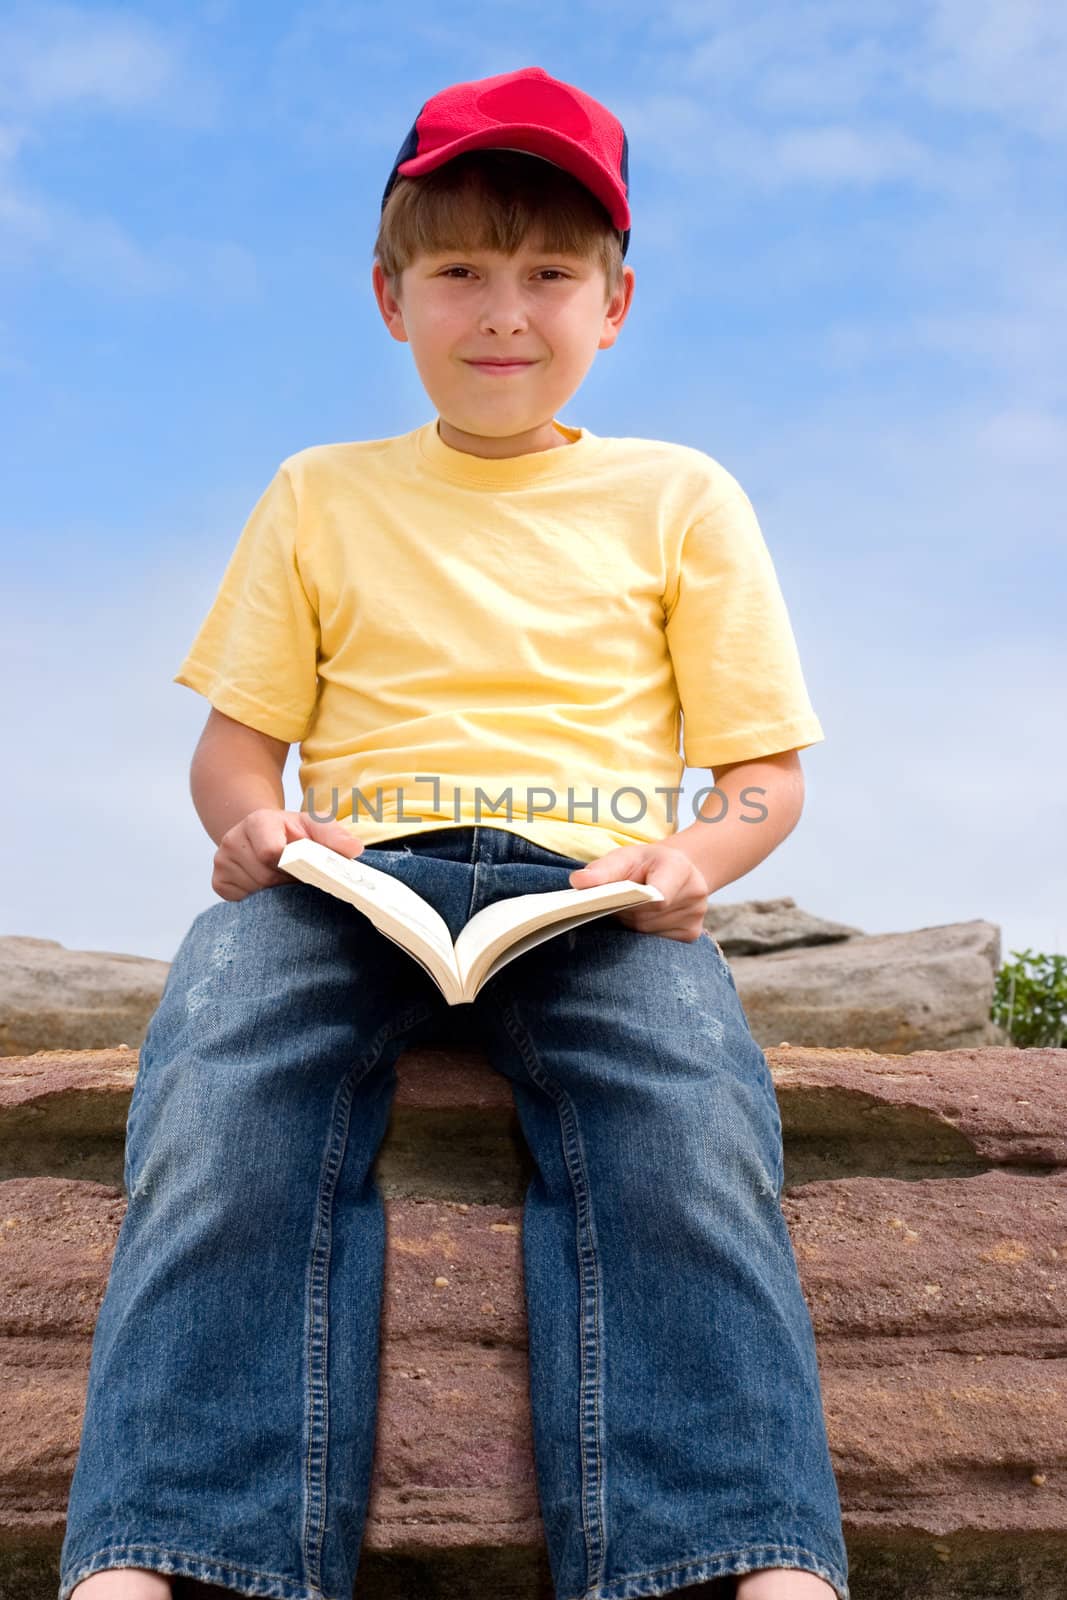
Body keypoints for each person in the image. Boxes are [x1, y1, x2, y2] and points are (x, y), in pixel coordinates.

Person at [59, 65, 850, 1600]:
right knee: (218, 1093)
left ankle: (741, 1553)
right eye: (460, 272)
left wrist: (688, 865)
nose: (505, 310)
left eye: (550, 272)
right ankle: (168, 1548)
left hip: (594, 882)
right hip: (348, 874)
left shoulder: (680, 496)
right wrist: (250, 835)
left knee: (688, 1127)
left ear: (615, 305)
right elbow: (236, 750)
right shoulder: (318, 493)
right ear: (390, 298)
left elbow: (762, 777)